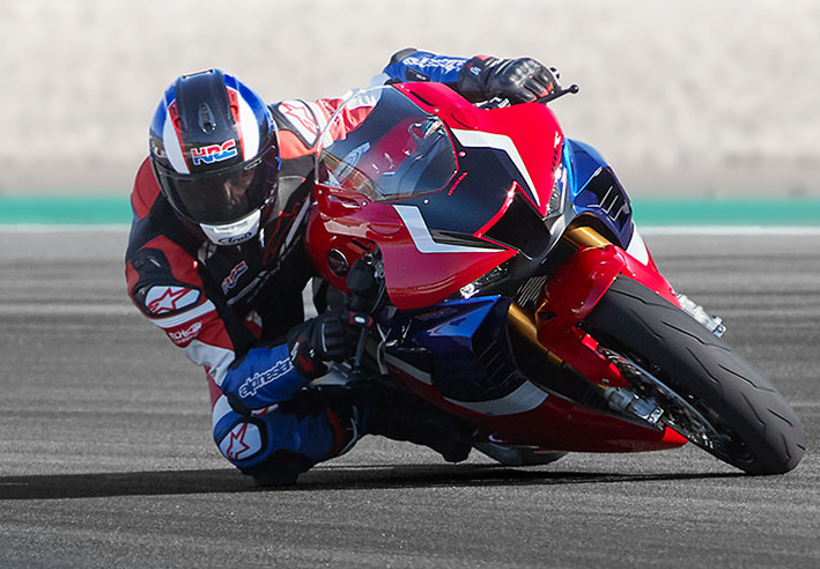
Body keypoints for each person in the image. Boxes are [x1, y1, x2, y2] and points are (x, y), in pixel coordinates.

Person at [124, 49, 559, 485]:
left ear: (268, 152)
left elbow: (396, 79)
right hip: (253, 317)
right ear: (168, 184)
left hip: (330, 244)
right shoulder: (158, 269)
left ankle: (473, 276)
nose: (229, 199)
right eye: (203, 192)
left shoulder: (295, 130)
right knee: (246, 439)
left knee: (362, 183)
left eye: (240, 178)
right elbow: (237, 379)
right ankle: (378, 405)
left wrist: (483, 72)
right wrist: (306, 350)